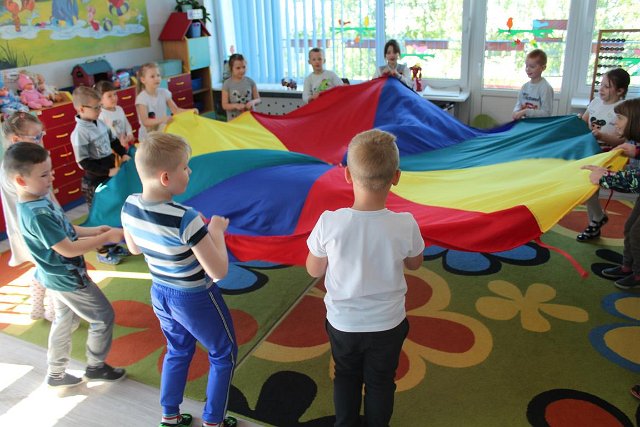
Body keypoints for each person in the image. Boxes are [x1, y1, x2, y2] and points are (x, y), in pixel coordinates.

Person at [306, 129, 425, 427]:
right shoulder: (405, 223)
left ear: (347, 174)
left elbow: (314, 270)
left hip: (344, 323)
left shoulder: (329, 222)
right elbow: (415, 264)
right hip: (388, 323)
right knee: (381, 381)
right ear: (396, 177)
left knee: (345, 375)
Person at [120, 132, 238, 427]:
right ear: (165, 177)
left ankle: (170, 415)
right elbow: (218, 272)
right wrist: (217, 233)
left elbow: (134, 248)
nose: (190, 171)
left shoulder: (129, 205)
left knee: (178, 349)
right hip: (195, 297)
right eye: (185, 167)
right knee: (224, 353)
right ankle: (214, 421)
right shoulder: (186, 217)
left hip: (160, 293)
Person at [3, 142, 126, 388]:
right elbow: (67, 248)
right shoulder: (36, 215)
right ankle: (95, 367)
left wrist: (94, 230)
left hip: (55, 277)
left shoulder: (39, 200)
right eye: (44, 175)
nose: (52, 177)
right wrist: (104, 238)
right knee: (103, 317)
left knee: (64, 321)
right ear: (21, 181)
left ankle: (56, 373)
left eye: (50, 171)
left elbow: (65, 229)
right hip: (68, 279)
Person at [0, 112, 54, 321]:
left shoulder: (26, 163)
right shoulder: (15, 170)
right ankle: (54, 311)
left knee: (43, 266)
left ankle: (38, 306)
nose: (41, 140)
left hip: (36, 225)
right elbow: (35, 200)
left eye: (42, 135)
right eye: (37, 137)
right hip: (32, 229)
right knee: (52, 269)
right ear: (16, 139)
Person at [582, 98, 640, 290]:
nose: (615, 122)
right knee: (630, 228)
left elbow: (635, 181)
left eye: (620, 118)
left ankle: (638, 274)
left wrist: (605, 177)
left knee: (637, 234)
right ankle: (627, 266)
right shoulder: (634, 142)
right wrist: (634, 152)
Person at [70, 85, 131, 265]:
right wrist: (107, 171)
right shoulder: (79, 133)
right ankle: (102, 251)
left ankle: (113, 244)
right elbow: (84, 162)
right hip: (94, 182)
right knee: (100, 218)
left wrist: (123, 153)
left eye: (100, 106)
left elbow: (113, 141)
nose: (100, 110)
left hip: (109, 178)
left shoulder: (100, 123)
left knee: (113, 211)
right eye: (96, 107)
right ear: (82, 109)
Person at [576, 68, 631, 242]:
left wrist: (602, 136)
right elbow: (583, 122)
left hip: (608, 155)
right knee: (589, 188)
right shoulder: (595, 102)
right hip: (590, 152)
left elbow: (621, 140)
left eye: (607, 86)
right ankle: (595, 222)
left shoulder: (621, 109)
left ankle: (597, 220)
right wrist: (577, 120)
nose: (601, 89)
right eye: (601, 84)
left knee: (591, 186)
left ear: (620, 91)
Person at [135, 62, 197, 140]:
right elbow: (145, 121)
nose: (156, 78)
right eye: (152, 76)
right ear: (143, 80)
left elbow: (175, 110)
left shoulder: (164, 93)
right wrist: (162, 120)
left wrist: (190, 111)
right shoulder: (141, 98)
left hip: (161, 133)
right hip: (147, 138)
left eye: (158, 75)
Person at [512, 49, 554, 120]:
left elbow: (546, 113)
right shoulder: (524, 87)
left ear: (543, 68)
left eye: (532, 67)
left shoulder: (546, 88)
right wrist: (515, 112)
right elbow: (518, 105)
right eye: (526, 66)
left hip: (539, 125)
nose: (528, 69)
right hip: (524, 124)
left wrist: (526, 112)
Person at [95, 80, 135, 154]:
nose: (114, 98)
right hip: (114, 150)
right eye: (109, 96)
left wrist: (130, 134)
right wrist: (118, 143)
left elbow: (126, 124)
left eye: (115, 94)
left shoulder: (119, 109)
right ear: (100, 100)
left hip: (126, 144)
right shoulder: (101, 115)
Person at [221, 53, 261, 121]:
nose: (242, 70)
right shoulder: (227, 84)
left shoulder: (250, 82)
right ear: (231, 68)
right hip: (234, 121)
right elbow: (224, 105)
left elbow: (258, 99)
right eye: (238, 68)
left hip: (250, 119)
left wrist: (253, 102)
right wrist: (235, 105)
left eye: (244, 67)